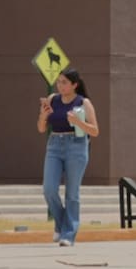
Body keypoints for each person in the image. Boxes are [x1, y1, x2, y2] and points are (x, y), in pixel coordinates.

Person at [37, 67, 101, 246]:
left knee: (72, 194)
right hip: (54, 145)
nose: (60, 85)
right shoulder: (52, 100)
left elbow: (95, 131)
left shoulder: (84, 102)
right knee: (49, 189)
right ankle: (62, 223)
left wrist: (78, 122)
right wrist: (43, 116)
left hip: (77, 147)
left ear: (75, 85)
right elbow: (41, 128)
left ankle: (68, 234)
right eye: (58, 82)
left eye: (64, 82)